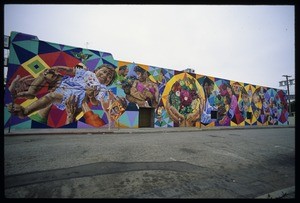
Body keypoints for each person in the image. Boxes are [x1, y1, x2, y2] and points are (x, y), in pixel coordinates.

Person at [7, 63, 116, 121]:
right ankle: (31, 92)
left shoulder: (101, 88)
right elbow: (71, 70)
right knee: (48, 73)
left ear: (108, 83)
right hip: (65, 83)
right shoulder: (86, 73)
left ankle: (25, 111)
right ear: (96, 70)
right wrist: (59, 68)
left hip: (73, 95)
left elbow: (96, 103)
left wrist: (91, 96)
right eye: (104, 72)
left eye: (109, 77)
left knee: (51, 97)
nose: (105, 75)